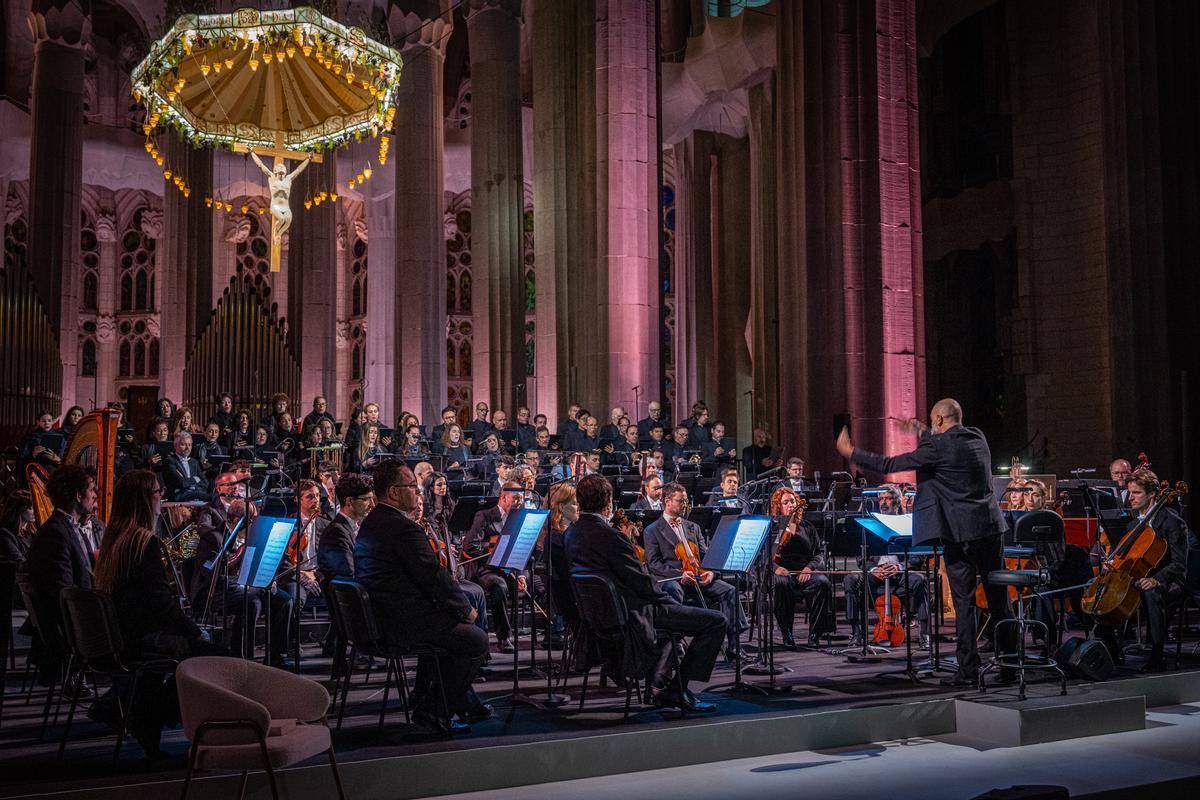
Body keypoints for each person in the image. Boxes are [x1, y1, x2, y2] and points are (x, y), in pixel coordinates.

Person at [838, 398, 1013, 687]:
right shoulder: (978, 437)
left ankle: (968, 671)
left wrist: (852, 452)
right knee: (999, 601)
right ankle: (1009, 666)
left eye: (933, 423)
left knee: (964, 603)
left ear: (940, 421)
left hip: (960, 534)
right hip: (991, 528)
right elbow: (946, 443)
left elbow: (890, 463)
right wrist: (921, 429)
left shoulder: (935, 447)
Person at [93, 469, 226, 756]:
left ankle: (144, 711)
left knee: (202, 652)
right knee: (221, 659)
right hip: (142, 638)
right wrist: (193, 630)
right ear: (143, 500)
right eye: (156, 492)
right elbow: (161, 606)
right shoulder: (144, 542)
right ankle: (150, 714)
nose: (161, 497)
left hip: (125, 634)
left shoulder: (116, 539)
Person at [565, 474, 724, 712]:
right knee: (715, 622)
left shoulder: (571, 533)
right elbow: (641, 582)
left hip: (599, 617)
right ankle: (676, 690)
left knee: (677, 624)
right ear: (608, 500)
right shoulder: (610, 535)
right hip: (633, 614)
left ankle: (661, 681)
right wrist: (668, 600)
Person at [354, 462, 490, 732]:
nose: (417, 492)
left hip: (380, 617)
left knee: (450, 629)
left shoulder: (373, 522)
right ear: (393, 492)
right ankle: (434, 711)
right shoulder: (402, 528)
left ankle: (457, 702)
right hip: (400, 622)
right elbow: (432, 575)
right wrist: (464, 610)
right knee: (476, 639)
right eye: (411, 487)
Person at [1091, 469, 1193, 671]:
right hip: (1137, 577)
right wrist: (1111, 565)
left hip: (1169, 580)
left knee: (1151, 592)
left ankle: (1157, 655)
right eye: (1130, 492)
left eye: (1136, 493)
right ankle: (1112, 651)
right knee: (1100, 595)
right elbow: (1127, 559)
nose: (1130, 498)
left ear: (1152, 494)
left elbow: (1179, 564)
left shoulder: (1172, 522)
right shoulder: (1133, 524)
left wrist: (1157, 579)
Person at [189, 471, 294, 666]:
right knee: (252, 602)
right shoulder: (215, 538)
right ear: (232, 522)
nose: (252, 527)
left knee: (283, 600)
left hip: (247, 585)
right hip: (216, 590)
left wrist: (267, 580)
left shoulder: (253, 536)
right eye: (248, 524)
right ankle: (243, 658)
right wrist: (243, 585)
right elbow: (211, 574)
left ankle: (277, 656)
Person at [644, 483, 746, 661]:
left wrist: (711, 573)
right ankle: (675, 646)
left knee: (729, 590)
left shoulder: (693, 527)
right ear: (667, 501)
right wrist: (679, 574)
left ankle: (734, 646)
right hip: (675, 579)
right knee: (672, 589)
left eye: (685, 501)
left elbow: (707, 556)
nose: (684, 505)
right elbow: (654, 564)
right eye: (680, 501)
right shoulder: (652, 530)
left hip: (698, 576)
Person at [20, 464, 97, 685]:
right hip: (73, 630)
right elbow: (64, 593)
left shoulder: (67, 528)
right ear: (77, 495)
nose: (95, 495)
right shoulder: (55, 533)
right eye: (91, 489)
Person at [843, 484, 930, 647]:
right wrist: (874, 569)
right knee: (850, 580)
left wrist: (899, 567)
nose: (883, 502)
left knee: (920, 580)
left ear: (897, 502)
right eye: (881, 498)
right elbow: (861, 558)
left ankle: (924, 635)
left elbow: (918, 557)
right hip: (877, 574)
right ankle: (856, 633)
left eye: (888, 498)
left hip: (899, 573)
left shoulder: (909, 522)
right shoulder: (869, 525)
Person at [462, 482, 527, 652]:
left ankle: (554, 633)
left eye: (521, 499)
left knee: (538, 583)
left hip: (510, 568)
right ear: (504, 497)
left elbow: (521, 549)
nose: (519, 503)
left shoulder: (518, 518)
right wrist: (492, 547)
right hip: (487, 568)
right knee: (499, 586)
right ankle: (504, 637)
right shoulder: (484, 515)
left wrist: (521, 575)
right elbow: (470, 545)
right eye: (516, 498)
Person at [768, 487, 835, 648]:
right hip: (780, 571)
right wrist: (775, 567)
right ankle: (787, 632)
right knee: (781, 583)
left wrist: (809, 568)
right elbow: (762, 555)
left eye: (792, 501)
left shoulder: (807, 527)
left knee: (822, 583)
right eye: (786, 502)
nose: (790, 505)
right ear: (779, 506)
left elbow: (819, 553)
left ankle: (815, 633)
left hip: (803, 571)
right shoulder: (772, 527)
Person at [163, 431, 209, 502]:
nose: (187, 448)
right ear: (175, 445)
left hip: (195, 494)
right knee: (211, 498)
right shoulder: (170, 461)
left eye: (190, 445)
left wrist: (192, 486)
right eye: (183, 444)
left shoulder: (194, 462)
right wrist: (195, 479)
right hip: (178, 497)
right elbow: (182, 483)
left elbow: (206, 483)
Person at [0, 491, 36, 564]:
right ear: (19, 510)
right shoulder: (4, 534)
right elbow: (20, 561)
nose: (34, 511)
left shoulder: (30, 533)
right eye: (30, 508)